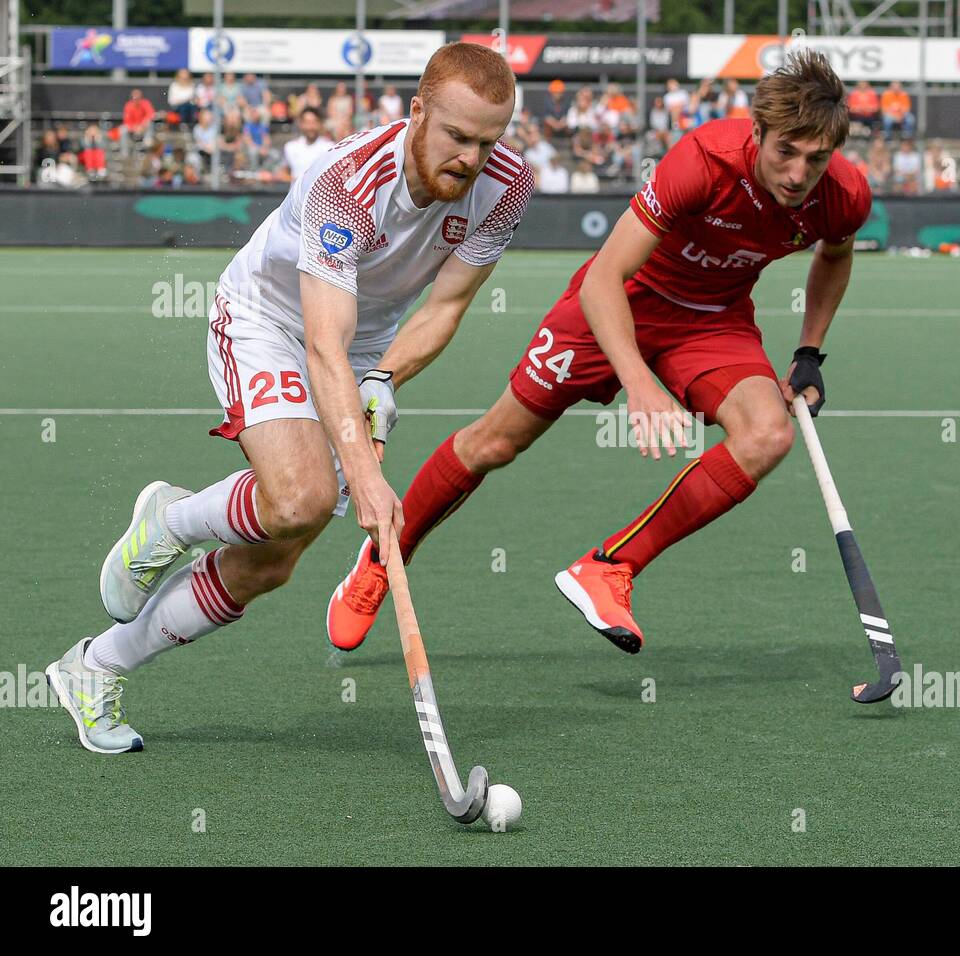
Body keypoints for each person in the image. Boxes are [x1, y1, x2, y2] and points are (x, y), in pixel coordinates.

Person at [46, 43, 534, 755]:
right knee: (301, 498)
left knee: (272, 560)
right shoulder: (345, 182)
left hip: (360, 347)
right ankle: (174, 520)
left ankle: (93, 667)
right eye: (457, 136)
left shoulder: (508, 186)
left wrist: (385, 380)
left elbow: (443, 309)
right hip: (269, 321)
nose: (472, 157)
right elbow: (321, 345)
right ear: (417, 113)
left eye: (489, 142)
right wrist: (365, 475)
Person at [325, 50, 870, 659]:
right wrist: (638, 381)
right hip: (618, 301)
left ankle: (610, 567)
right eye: (784, 153)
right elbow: (604, 276)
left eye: (815, 159)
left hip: (712, 322)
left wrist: (810, 353)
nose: (798, 175)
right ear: (758, 133)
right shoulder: (704, 162)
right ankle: (381, 559)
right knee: (494, 443)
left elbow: (836, 257)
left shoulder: (843, 195)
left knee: (768, 434)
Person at [278, 107, 334, 182]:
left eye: (314, 122)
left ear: (320, 124)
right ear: (301, 124)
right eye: (307, 122)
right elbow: (283, 173)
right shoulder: (290, 147)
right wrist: (298, 183)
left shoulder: (330, 147)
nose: (310, 127)